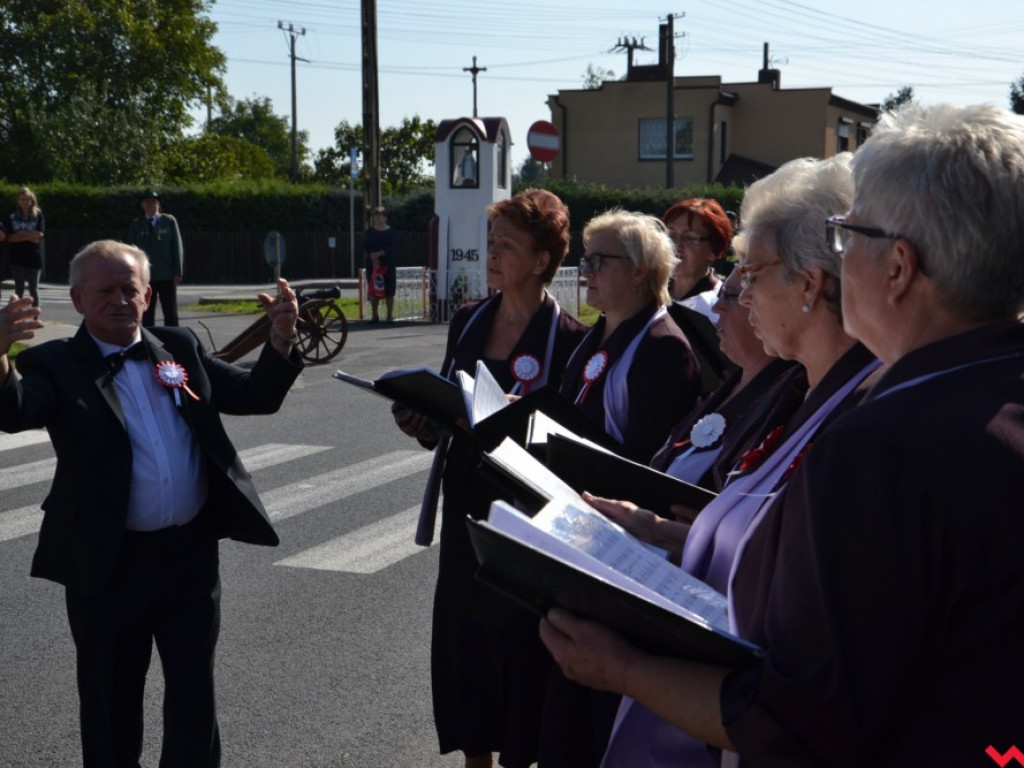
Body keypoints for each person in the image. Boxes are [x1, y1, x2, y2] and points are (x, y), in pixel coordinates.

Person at [541, 103, 1024, 766]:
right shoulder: (983, 390)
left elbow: (797, 723)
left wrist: (620, 667)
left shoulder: (880, 444)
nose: (838, 255)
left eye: (848, 235)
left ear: (899, 268)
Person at [0, 240, 304, 768]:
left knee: (193, 699)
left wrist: (280, 337)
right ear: (76, 299)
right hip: (109, 564)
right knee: (111, 705)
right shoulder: (54, 362)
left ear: (147, 295)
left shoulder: (178, 347)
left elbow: (256, 396)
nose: (120, 300)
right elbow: (16, 409)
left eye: (130, 289)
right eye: (105, 291)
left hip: (189, 559)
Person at [393, 189, 588, 768]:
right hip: (467, 503)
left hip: (530, 514)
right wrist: (422, 420)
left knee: (522, 648)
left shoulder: (573, 339)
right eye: (491, 242)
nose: (492, 255)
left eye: (507, 245)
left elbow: (572, 443)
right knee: (468, 644)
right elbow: (452, 407)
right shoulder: (468, 319)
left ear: (542, 260)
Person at [539, 209, 703, 768]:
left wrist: (555, 433)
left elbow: (647, 473)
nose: (585, 270)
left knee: (592, 722)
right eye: (586, 259)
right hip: (576, 532)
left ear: (638, 271)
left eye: (598, 261)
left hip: (617, 552)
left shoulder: (662, 346)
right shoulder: (598, 335)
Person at [649, 263, 797, 493]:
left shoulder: (787, 397)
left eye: (729, 296)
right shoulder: (730, 384)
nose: (717, 308)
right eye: (720, 295)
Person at [664, 198, 731, 318]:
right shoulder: (649, 296)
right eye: (671, 236)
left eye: (689, 238)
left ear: (713, 251)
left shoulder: (723, 305)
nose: (676, 246)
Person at [130, 188, 184, 327]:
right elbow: (132, 251)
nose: (151, 205)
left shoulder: (168, 221)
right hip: (146, 276)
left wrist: (178, 271)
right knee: (147, 310)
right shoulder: (137, 225)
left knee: (170, 311)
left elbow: (176, 247)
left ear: (159, 204)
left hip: (167, 274)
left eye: (154, 202)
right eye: (147, 202)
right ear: (142, 205)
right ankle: (149, 341)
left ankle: (173, 338)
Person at [5, 187, 45, 308]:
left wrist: (22, 233)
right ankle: (18, 315)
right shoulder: (12, 217)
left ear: (31, 200)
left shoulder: (38, 215)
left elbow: (39, 235)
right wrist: (29, 235)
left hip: (33, 256)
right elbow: (10, 238)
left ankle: (35, 315)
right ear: (18, 201)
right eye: (22, 199)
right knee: (19, 288)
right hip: (17, 257)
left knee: (33, 288)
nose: (25, 202)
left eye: (27, 199)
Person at [364, 205, 397, 323]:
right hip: (372, 264)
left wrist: (379, 254)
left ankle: (389, 315)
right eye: (376, 216)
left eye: (381, 216)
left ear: (385, 217)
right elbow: (366, 246)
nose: (378, 218)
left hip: (387, 264)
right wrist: (373, 256)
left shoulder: (391, 231)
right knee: (374, 290)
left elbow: (392, 247)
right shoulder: (369, 232)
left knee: (389, 290)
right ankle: (374, 315)